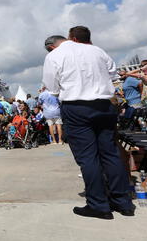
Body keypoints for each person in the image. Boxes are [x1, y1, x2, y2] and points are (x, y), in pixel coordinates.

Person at [42, 26, 134, 219]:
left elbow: (51, 87)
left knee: (88, 157)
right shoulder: (98, 50)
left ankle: (99, 205)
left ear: (53, 45)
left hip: (76, 107)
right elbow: (114, 75)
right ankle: (123, 203)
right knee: (110, 154)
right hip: (104, 105)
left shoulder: (55, 56)